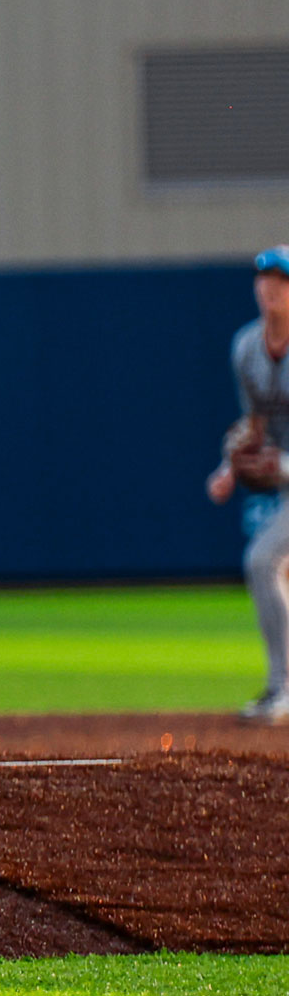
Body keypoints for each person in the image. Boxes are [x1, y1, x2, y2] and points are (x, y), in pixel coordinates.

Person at [208, 244, 289, 725]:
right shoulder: (245, 348)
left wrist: (278, 464)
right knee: (271, 566)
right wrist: (228, 466)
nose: (270, 289)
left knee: (263, 559)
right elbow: (253, 425)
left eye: (281, 281)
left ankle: (283, 687)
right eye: (263, 280)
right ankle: (282, 687)